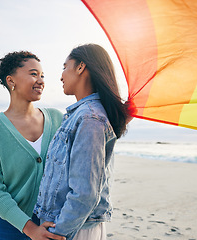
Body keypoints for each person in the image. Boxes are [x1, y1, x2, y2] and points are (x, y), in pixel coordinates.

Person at [33, 44, 132, 240]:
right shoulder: (81, 115)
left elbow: (84, 194)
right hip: (68, 225)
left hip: (73, 229)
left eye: (64, 66)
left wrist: (58, 232)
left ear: (80, 67)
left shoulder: (90, 118)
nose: (61, 76)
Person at [0, 51, 65, 240]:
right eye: (34, 74)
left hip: (51, 225)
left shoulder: (57, 118)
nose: (41, 80)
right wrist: (30, 229)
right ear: (11, 81)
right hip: (5, 226)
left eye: (42, 76)